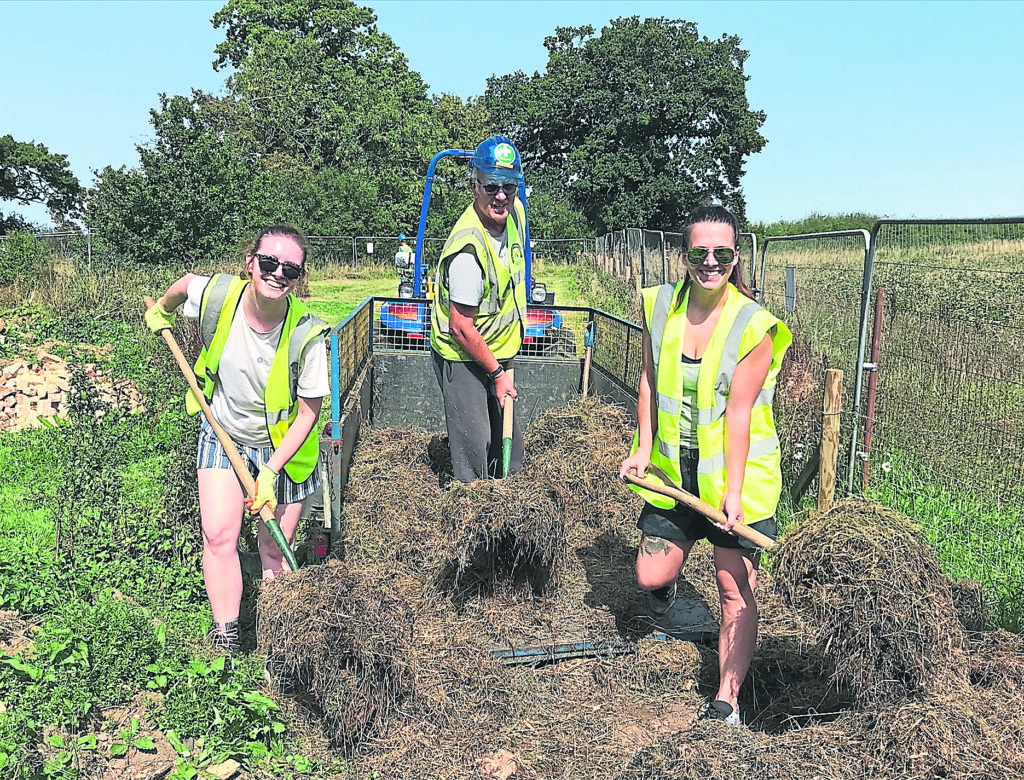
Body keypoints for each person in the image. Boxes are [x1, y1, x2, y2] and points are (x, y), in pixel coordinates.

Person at [618, 204, 791, 725]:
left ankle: (728, 700)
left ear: (736, 257)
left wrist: (733, 494)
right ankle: (670, 591)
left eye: (722, 253)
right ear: (684, 254)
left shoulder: (753, 326)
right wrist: (644, 446)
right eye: (700, 252)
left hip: (737, 482)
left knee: (733, 590)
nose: (710, 262)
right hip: (675, 473)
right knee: (650, 574)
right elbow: (648, 380)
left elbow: (738, 413)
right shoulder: (660, 306)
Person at [145, 225, 330, 654]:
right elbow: (186, 285)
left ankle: (278, 642)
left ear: (300, 277)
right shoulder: (219, 296)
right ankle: (227, 636)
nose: (277, 273)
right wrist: (163, 311)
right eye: (269, 262)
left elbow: (308, 414)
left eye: (291, 269)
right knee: (218, 535)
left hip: (284, 450)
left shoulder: (306, 335)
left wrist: (269, 471)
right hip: (224, 429)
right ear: (251, 263)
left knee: (273, 546)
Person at [429, 136, 527, 482]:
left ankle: (510, 510)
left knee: (510, 444)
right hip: (464, 354)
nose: (501, 195)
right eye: (491, 186)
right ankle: (471, 513)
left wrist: (504, 363)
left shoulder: (514, 217)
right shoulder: (468, 251)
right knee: (476, 444)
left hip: (500, 350)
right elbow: (461, 327)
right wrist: (497, 375)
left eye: (509, 186)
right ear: (474, 185)